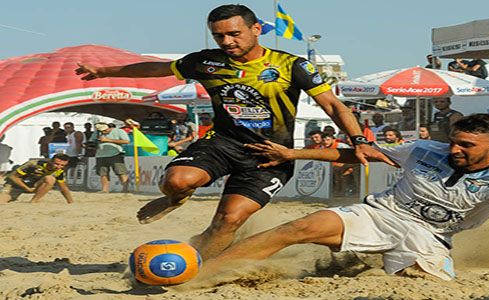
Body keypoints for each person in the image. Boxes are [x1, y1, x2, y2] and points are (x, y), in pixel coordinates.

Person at [74, 4, 392, 262]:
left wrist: (359, 140)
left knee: (228, 220)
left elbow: (334, 106)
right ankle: (176, 198)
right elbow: (155, 68)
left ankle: (198, 265)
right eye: (219, 36)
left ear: (256, 30)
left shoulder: (290, 65)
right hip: (223, 142)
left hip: (272, 155)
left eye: (234, 34)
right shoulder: (206, 61)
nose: (227, 42)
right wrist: (105, 71)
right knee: (176, 181)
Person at [206, 114, 489, 281]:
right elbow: (359, 153)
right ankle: (207, 271)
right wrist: (294, 153)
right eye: (454, 142)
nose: (455, 150)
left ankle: (369, 263)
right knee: (298, 226)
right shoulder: (423, 149)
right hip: (381, 212)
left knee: (414, 283)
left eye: (467, 145)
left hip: (429, 237)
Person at [0, 154, 73, 203]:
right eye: (57, 164)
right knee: (3, 200)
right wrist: (27, 188)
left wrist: (70, 202)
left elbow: (63, 187)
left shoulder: (59, 171)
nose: (58, 167)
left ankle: (33, 202)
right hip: (16, 185)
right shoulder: (34, 164)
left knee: (50, 179)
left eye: (62, 165)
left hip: (34, 186)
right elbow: (12, 176)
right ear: (50, 161)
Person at [90, 122, 130, 193]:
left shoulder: (119, 131)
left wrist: (108, 140)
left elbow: (126, 141)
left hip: (115, 154)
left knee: (120, 172)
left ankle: (125, 189)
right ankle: (104, 189)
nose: (103, 132)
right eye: (101, 131)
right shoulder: (96, 133)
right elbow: (91, 142)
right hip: (100, 154)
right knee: (103, 173)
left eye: (105, 130)